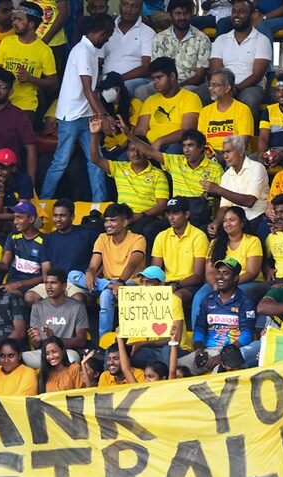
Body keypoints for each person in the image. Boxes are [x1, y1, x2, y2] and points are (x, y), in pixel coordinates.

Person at [41, 15, 114, 202]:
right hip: (72, 116)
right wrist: (104, 116)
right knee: (60, 162)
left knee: (95, 161)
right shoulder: (82, 51)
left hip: (87, 116)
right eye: (108, 37)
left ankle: (100, 204)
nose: (108, 41)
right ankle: (44, 201)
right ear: (103, 33)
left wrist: (99, 115)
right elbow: (87, 89)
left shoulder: (90, 51)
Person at [69, 204, 147, 338]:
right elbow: (94, 265)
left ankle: (103, 342)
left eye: (113, 220)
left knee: (105, 295)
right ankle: (109, 286)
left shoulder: (138, 239)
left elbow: (132, 264)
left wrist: (120, 282)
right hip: (108, 283)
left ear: (125, 222)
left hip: (130, 283)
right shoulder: (102, 238)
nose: (108, 224)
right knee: (72, 275)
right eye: (106, 220)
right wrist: (90, 273)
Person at [180, 257, 255, 375]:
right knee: (177, 368)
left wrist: (223, 356)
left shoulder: (244, 301)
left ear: (236, 278)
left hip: (233, 352)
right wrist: (199, 350)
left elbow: (247, 335)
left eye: (226, 273)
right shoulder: (208, 299)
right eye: (218, 273)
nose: (220, 277)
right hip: (207, 351)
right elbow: (199, 329)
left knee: (219, 373)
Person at [0, 2, 57, 122]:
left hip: (26, 107)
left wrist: (31, 79)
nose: (14, 22)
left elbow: (53, 84)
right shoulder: (7, 42)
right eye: (14, 18)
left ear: (31, 24)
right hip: (1, 103)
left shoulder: (45, 51)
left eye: (19, 19)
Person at [208, 0, 271, 117]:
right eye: (234, 11)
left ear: (252, 15)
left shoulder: (262, 40)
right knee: (198, 94)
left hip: (250, 86)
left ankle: (247, 134)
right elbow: (215, 71)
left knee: (249, 99)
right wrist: (224, 87)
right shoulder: (221, 39)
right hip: (222, 85)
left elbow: (257, 76)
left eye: (242, 11)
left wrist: (234, 89)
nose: (236, 15)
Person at [204, 135, 270, 237]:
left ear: (240, 152)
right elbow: (225, 207)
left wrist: (218, 190)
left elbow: (249, 201)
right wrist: (216, 223)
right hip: (236, 222)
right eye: (224, 152)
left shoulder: (257, 168)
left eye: (228, 151)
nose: (225, 156)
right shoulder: (227, 175)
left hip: (257, 218)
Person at [151, 198, 209, 306]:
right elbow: (155, 271)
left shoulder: (199, 236)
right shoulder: (161, 236)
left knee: (174, 298)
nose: (171, 217)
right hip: (167, 284)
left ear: (186, 214)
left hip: (189, 285)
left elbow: (197, 276)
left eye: (176, 213)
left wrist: (176, 285)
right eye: (169, 213)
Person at [100, 0, 155, 96]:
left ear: (141, 10)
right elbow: (98, 60)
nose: (128, 9)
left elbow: (146, 68)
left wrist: (118, 79)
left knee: (124, 88)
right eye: (125, 4)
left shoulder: (147, 33)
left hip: (135, 81)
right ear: (119, 6)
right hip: (107, 79)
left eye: (134, 6)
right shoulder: (108, 30)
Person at [199, 68, 255, 160]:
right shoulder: (205, 111)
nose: (210, 88)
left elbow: (243, 142)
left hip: (235, 154)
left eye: (214, 85)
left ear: (227, 88)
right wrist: (213, 156)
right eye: (210, 85)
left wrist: (223, 157)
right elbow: (201, 140)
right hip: (211, 154)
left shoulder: (243, 110)